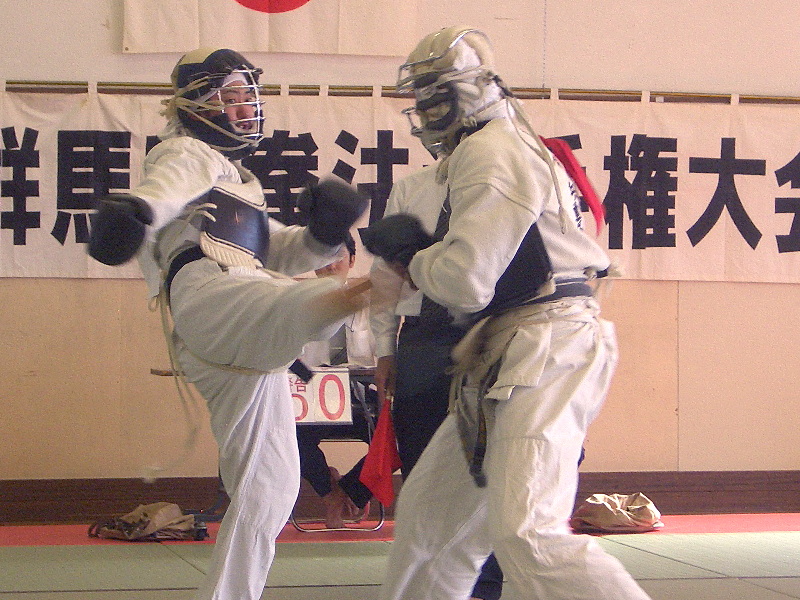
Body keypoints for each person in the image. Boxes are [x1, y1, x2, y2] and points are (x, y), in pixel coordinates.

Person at [361, 26, 652, 600]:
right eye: (420, 99)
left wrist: (413, 259)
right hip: (500, 350)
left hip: (547, 344)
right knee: (427, 525)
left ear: (470, 91)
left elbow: (467, 283)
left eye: (434, 95)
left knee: (527, 533)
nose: (425, 111)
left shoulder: (494, 152)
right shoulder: (489, 148)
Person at [87, 48, 370, 600]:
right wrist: (138, 210)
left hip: (237, 334)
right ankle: (347, 300)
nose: (245, 107)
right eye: (231, 95)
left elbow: (274, 251)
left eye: (249, 96)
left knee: (273, 486)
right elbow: (166, 186)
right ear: (196, 103)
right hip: (212, 298)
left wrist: (323, 235)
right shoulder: (188, 152)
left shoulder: (242, 182)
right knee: (294, 302)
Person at [369, 163, 504, 600]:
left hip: (487, 330)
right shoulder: (411, 189)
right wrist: (385, 348)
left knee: (487, 463)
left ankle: (484, 586)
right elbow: (386, 273)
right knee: (423, 464)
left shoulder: (500, 182)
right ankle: (427, 579)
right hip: (422, 339)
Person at [296, 233, 377, 528]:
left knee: (393, 436)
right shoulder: (296, 306)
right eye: (323, 259)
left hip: (360, 402)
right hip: (313, 405)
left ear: (353, 261)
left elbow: (382, 356)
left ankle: (350, 491)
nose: (330, 266)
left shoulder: (370, 305)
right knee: (287, 435)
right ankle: (330, 495)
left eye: (338, 257)